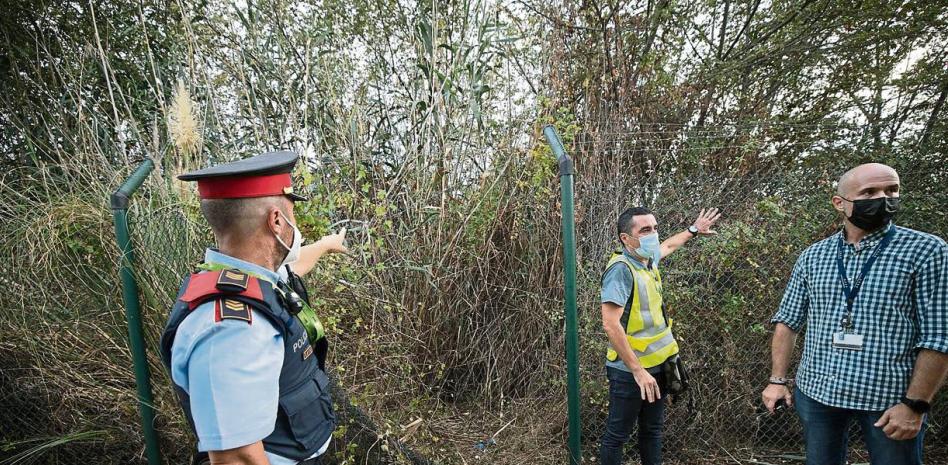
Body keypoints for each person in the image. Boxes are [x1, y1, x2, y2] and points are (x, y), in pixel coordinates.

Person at [159, 151, 346, 465]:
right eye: (292, 215)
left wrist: (326, 244)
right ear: (276, 221)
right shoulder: (232, 329)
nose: (295, 227)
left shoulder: (250, 277)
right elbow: (237, 457)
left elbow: (294, 266)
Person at [762, 163, 948, 465]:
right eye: (869, 192)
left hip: (889, 398)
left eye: (892, 190)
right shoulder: (814, 256)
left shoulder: (927, 251)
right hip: (818, 392)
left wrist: (915, 405)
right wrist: (777, 380)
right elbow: (788, 321)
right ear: (840, 203)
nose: (883, 198)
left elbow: (939, 336)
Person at [599, 206, 721, 465]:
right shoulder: (621, 269)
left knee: (652, 431)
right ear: (625, 238)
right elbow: (610, 325)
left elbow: (668, 246)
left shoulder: (647, 260)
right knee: (617, 436)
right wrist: (637, 371)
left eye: (654, 228)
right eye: (645, 230)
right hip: (630, 371)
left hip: (658, 366)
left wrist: (693, 230)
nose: (653, 234)